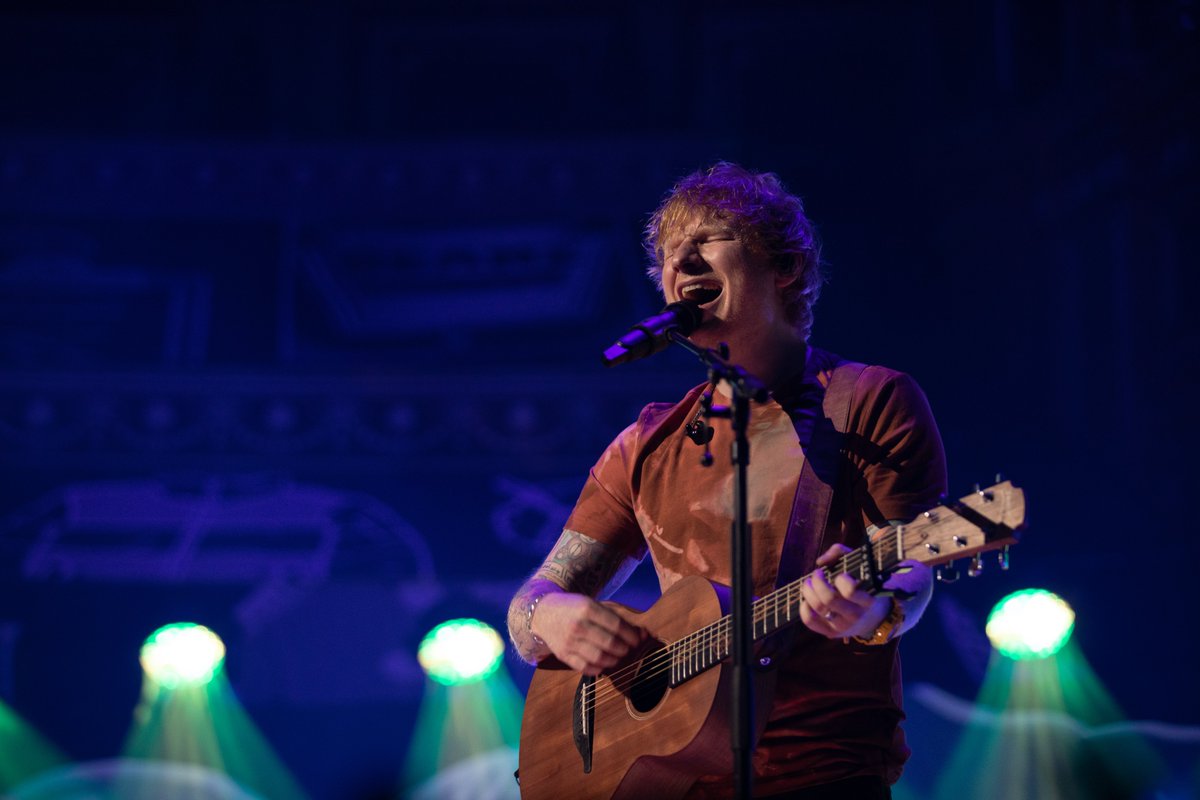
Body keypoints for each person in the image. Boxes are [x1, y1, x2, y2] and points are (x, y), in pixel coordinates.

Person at [507, 162, 947, 799]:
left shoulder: (868, 401)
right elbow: (530, 606)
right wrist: (551, 615)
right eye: (668, 252)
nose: (682, 259)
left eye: (710, 238)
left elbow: (911, 559)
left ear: (784, 266)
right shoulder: (644, 445)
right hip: (675, 786)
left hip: (825, 776)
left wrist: (873, 610)